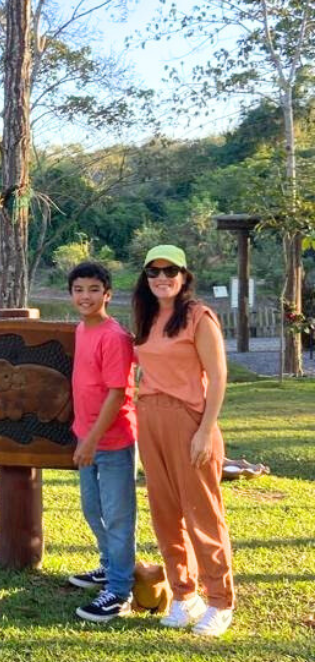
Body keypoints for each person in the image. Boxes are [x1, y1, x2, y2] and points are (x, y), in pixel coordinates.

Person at [132, 245, 235, 638]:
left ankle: (219, 602)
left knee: (202, 516)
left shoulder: (198, 316)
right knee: (165, 515)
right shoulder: (147, 316)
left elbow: (219, 375)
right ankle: (183, 594)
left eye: (170, 270)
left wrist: (206, 430)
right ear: (145, 277)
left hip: (190, 421)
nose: (162, 278)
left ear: (184, 275)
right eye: (154, 272)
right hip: (151, 419)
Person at [65, 262, 138, 623]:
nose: (86, 296)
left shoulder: (115, 336)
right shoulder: (81, 329)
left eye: (94, 289)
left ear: (107, 294)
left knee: (119, 517)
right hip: (87, 436)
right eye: (79, 289)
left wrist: (92, 440)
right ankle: (110, 566)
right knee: (93, 510)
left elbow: (118, 393)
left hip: (113, 442)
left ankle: (120, 591)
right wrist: (84, 435)